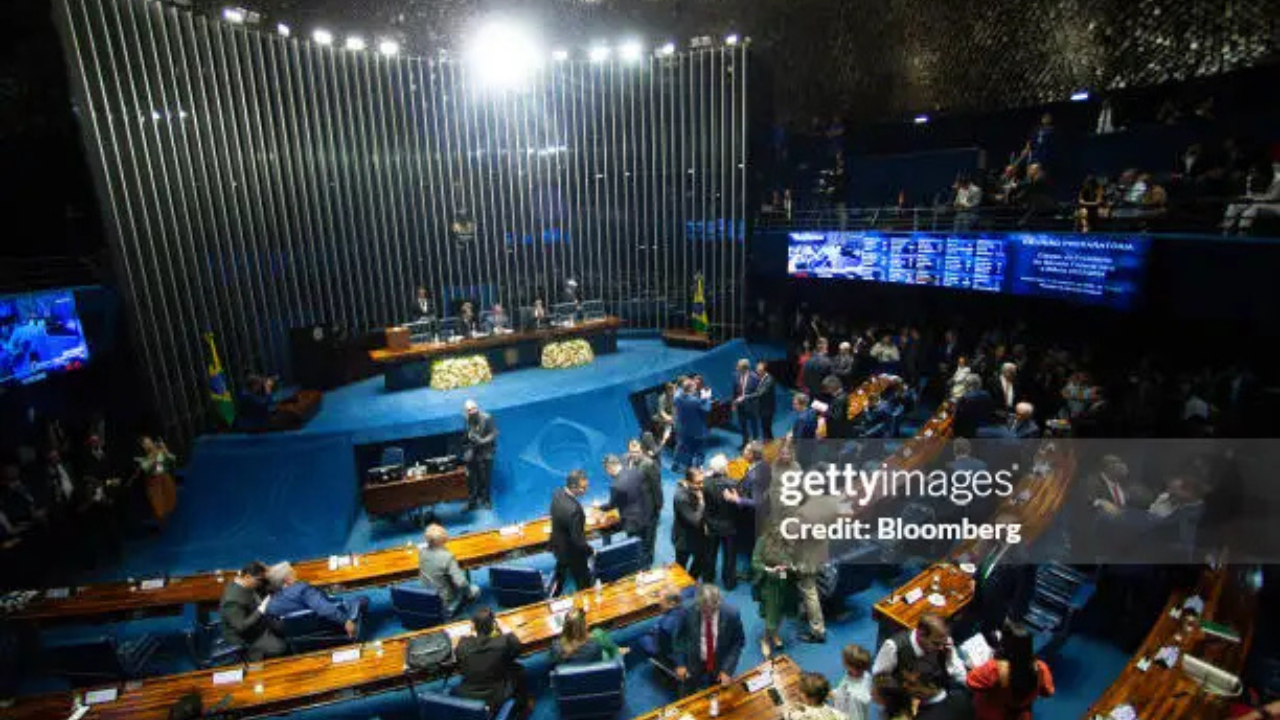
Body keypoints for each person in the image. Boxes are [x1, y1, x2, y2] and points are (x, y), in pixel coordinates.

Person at [872, 613, 968, 717]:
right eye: (936, 644)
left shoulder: (944, 641)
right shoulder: (893, 646)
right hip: (903, 700)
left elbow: (958, 672)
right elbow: (879, 677)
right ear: (920, 634)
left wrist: (948, 658)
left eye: (943, 643)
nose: (941, 647)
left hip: (934, 697)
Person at [966, 620, 1054, 720]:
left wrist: (994, 660)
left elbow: (970, 681)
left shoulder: (994, 669)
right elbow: (1048, 691)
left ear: (1004, 646)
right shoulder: (1040, 667)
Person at [265, 561, 368, 639]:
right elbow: (324, 609)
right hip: (327, 622)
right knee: (362, 599)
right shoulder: (302, 589)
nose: (295, 572)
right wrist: (345, 621)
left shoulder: (271, 605)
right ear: (287, 579)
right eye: (292, 571)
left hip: (302, 636)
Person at [455, 607, 528, 713]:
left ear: (473, 626)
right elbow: (518, 649)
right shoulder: (503, 642)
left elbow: (459, 663)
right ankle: (522, 706)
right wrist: (506, 630)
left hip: (467, 694)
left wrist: (472, 634)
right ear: (494, 625)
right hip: (496, 696)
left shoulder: (462, 644)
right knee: (519, 669)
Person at [674, 584, 745, 690]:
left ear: (719, 603)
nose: (708, 615)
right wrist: (680, 663)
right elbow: (678, 638)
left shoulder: (732, 614)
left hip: (718, 661)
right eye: (704, 611)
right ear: (698, 605)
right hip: (693, 660)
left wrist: (727, 670)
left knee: (717, 691)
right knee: (688, 688)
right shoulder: (687, 610)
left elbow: (738, 642)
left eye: (712, 610)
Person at [219, 561, 287, 660]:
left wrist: (268, 573)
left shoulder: (243, 581)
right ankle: (254, 656)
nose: (260, 583)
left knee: (285, 627)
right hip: (246, 637)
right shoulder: (232, 602)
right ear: (247, 577)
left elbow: (262, 578)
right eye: (258, 580)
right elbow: (241, 627)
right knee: (280, 648)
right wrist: (261, 609)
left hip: (256, 620)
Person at [750, 522, 797, 656]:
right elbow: (755, 562)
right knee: (772, 615)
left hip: (788, 582)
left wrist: (793, 567)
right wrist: (770, 569)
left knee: (782, 610)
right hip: (770, 583)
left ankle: (775, 633)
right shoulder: (763, 540)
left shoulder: (796, 539)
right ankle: (765, 640)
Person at [600, 454, 655, 566]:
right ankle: (648, 563)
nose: (607, 473)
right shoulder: (634, 471)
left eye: (606, 470)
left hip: (632, 521)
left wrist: (599, 507)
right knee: (647, 542)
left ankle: (638, 566)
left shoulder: (616, 486)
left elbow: (612, 505)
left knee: (634, 545)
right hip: (647, 514)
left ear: (609, 467)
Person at [418, 524, 480, 618]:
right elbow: (462, 583)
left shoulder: (422, 552)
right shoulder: (447, 557)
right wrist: (469, 593)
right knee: (475, 589)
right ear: (443, 539)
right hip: (445, 602)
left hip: (428, 595)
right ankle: (455, 610)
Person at [550, 470, 594, 594]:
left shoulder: (557, 493)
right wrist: (590, 551)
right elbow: (578, 541)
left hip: (558, 545)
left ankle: (554, 595)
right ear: (573, 487)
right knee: (584, 583)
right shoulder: (575, 511)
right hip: (574, 554)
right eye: (584, 488)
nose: (586, 490)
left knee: (560, 574)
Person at [702, 454, 739, 589]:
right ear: (725, 468)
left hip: (711, 524)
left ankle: (708, 579)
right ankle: (729, 583)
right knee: (729, 556)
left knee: (710, 554)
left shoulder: (705, 483)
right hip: (730, 526)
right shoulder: (734, 483)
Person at [625, 438, 663, 565]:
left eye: (637, 451)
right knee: (632, 537)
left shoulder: (649, 464)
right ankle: (634, 561)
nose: (634, 454)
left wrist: (658, 508)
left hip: (647, 510)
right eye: (631, 451)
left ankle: (647, 564)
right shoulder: (625, 460)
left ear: (641, 450)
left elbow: (656, 488)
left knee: (648, 540)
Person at [550, 607, 625, 665]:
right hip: (593, 673)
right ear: (585, 627)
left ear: (565, 627)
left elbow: (555, 663)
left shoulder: (555, 646)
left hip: (569, 680)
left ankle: (616, 650)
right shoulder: (594, 645)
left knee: (598, 634)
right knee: (600, 638)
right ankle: (617, 652)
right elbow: (598, 661)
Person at [672, 467, 708, 580]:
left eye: (703, 481)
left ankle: (691, 581)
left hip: (700, 537)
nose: (702, 485)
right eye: (698, 483)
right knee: (680, 568)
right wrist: (702, 503)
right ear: (688, 482)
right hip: (685, 540)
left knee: (699, 562)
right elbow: (695, 521)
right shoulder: (681, 498)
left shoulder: (697, 489)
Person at [135, 436, 177, 530]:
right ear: (142, 446)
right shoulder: (143, 458)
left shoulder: (159, 452)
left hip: (164, 479)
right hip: (153, 484)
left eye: (150, 442)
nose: (149, 444)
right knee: (158, 507)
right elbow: (146, 468)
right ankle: (162, 524)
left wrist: (164, 449)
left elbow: (172, 459)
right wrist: (154, 456)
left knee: (170, 501)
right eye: (146, 443)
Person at [463, 400, 497, 510]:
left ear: (477, 408)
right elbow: (468, 435)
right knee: (472, 479)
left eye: (473, 408)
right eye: (469, 410)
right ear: (466, 412)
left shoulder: (487, 417)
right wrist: (469, 445)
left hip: (487, 452)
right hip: (474, 452)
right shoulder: (467, 419)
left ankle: (486, 500)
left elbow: (494, 433)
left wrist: (482, 441)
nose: (472, 411)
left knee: (486, 479)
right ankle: (472, 502)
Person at [673, 378, 711, 472]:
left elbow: (679, 389)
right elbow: (707, 409)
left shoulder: (677, 397)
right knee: (700, 451)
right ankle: (698, 468)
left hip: (685, 430)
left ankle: (685, 467)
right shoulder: (695, 401)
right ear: (691, 389)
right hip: (698, 431)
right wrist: (707, 397)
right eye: (694, 387)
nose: (695, 388)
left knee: (686, 449)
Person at [831, 644, 874, 720]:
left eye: (843, 659)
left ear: (850, 665)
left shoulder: (854, 697)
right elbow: (843, 688)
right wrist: (835, 693)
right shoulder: (864, 675)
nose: (842, 661)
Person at [732, 358, 761, 445]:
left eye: (738, 366)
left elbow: (758, 393)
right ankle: (745, 442)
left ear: (744, 368)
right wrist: (733, 404)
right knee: (743, 425)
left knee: (754, 426)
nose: (736, 368)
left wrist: (746, 397)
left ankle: (755, 444)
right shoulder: (736, 376)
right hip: (740, 406)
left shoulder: (755, 377)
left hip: (752, 406)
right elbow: (734, 391)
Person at [746, 360, 777, 440]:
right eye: (757, 369)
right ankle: (769, 443)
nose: (757, 371)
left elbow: (760, 393)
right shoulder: (760, 377)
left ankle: (770, 445)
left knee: (766, 429)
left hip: (767, 409)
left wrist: (746, 396)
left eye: (759, 370)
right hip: (762, 408)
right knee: (765, 429)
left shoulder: (769, 380)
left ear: (764, 370)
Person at [653, 382, 677, 451]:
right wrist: (669, 418)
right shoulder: (662, 398)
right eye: (671, 390)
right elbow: (661, 412)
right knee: (667, 426)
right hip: (662, 417)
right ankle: (661, 443)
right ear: (667, 390)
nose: (673, 392)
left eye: (674, 389)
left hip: (674, 416)